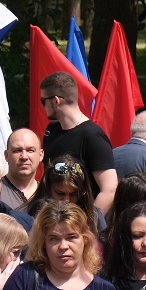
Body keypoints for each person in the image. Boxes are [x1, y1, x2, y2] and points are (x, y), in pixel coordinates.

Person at [38, 72, 117, 214]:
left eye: (43, 101)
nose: (43, 106)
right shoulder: (52, 130)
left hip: (80, 227)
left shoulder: (93, 136)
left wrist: (86, 226)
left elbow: (110, 190)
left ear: (56, 101)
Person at [25, 155, 102, 230]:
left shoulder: (95, 216)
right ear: (48, 189)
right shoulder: (31, 218)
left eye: (73, 194)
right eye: (60, 193)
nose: (66, 200)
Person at [1, 128, 43, 211]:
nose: (24, 156)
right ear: (6, 155)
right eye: (17, 150)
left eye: (30, 150)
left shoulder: (50, 193)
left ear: (41, 155)